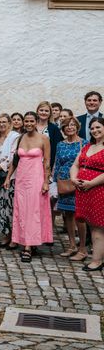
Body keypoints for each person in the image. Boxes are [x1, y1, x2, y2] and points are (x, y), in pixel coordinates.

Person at [5, 111, 52, 262]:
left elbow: (47, 162)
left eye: (32, 121)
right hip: (21, 179)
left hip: (36, 179)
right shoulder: (20, 138)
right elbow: (14, 161)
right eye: (27, 121)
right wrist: (7, 178)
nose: (29, 124)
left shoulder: (44, 139)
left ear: (36, 122)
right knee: (22, 210)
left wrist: (46, 182)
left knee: (34, 212)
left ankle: (28, 247)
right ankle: (25, 240)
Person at [71, 117, 104, 272]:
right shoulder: (87, 146)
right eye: (92, 128)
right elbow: (76, 164)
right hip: (83, 190)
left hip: (98, 189)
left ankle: (97, 261)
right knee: (91, 224)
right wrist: (73, 178)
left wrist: (91, 183)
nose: (95, 131)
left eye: (98, 127)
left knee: (98, 226)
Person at [54, 117, 88, 261]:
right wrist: (55, 182)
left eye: (73, 125)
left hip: (77, 182)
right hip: (63, 182)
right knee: (67, 215)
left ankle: (82, 248)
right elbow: (57, 163)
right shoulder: (60, 144)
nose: (70, 128)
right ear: (63, 128)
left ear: (77, 127)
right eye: (67, 125)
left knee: (79, 216)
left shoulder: (84, 143)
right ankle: (71, 245)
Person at [0, 113, 20, 248]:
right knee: (1, 207)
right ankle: (6, 235)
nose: (1, 124)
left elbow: (12, 157)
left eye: (4, 122)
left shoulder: (14, 137)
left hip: (10, 177)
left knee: (10, 207)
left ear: (9, 123)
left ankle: (14, 238)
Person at [36, 101, 63, 167]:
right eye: (41, 110)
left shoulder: (54, 129)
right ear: (37, 111)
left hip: (47, 164)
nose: (43, 112)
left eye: (46, 111)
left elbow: (57, 149)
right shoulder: (32, 127)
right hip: (32, 163)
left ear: (50, 113)